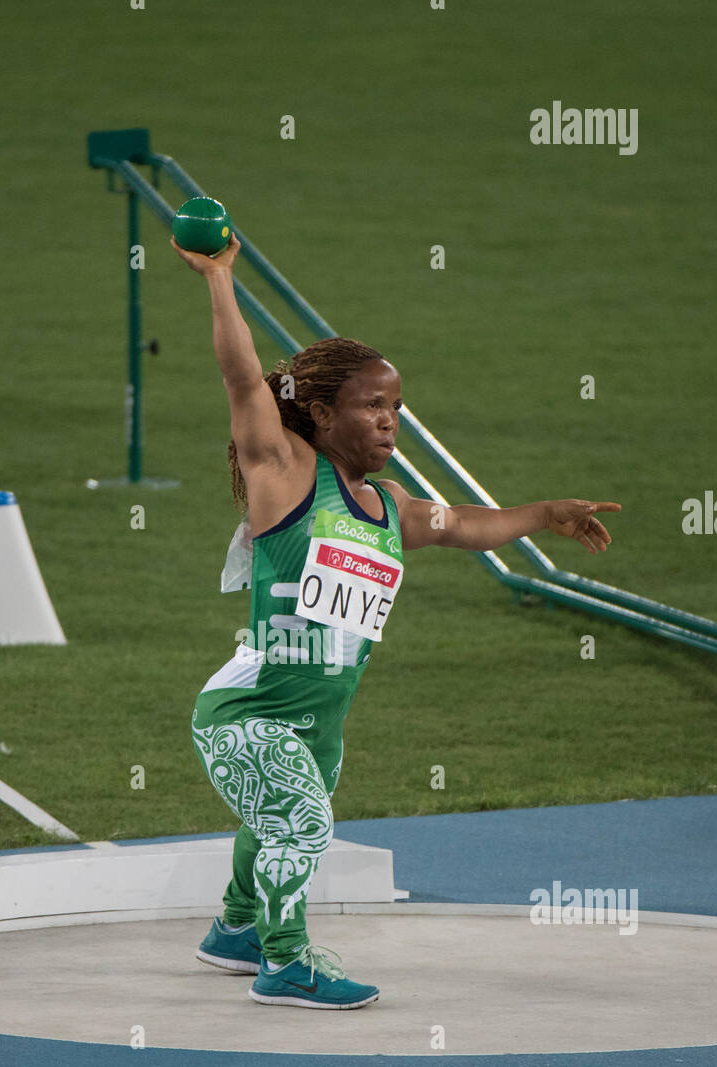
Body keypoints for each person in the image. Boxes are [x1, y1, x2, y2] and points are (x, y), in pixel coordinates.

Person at [172, 232, 620, 1011]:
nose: (390, 421)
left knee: (278, 816)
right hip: (247, 713)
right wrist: (219, 277)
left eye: (396, 407)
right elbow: (242, 377)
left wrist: (543, 513)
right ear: (318, 413)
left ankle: (235, 930)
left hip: (317, 721)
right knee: (299, 826)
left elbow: (463, 525)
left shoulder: (388, 509)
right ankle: (284, 964)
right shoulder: (282, 476)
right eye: (371, 406)